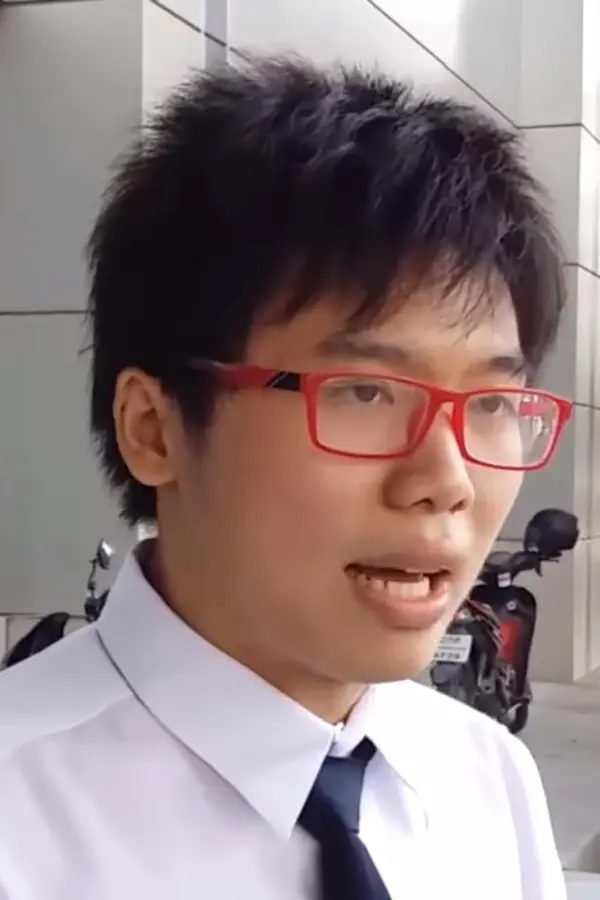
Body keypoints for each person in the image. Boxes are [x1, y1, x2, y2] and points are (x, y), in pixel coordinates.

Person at [0, 57, 570, 899]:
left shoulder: (490, 780)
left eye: (491, 402)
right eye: (365, 393)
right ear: (153, 427)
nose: (446, 481)